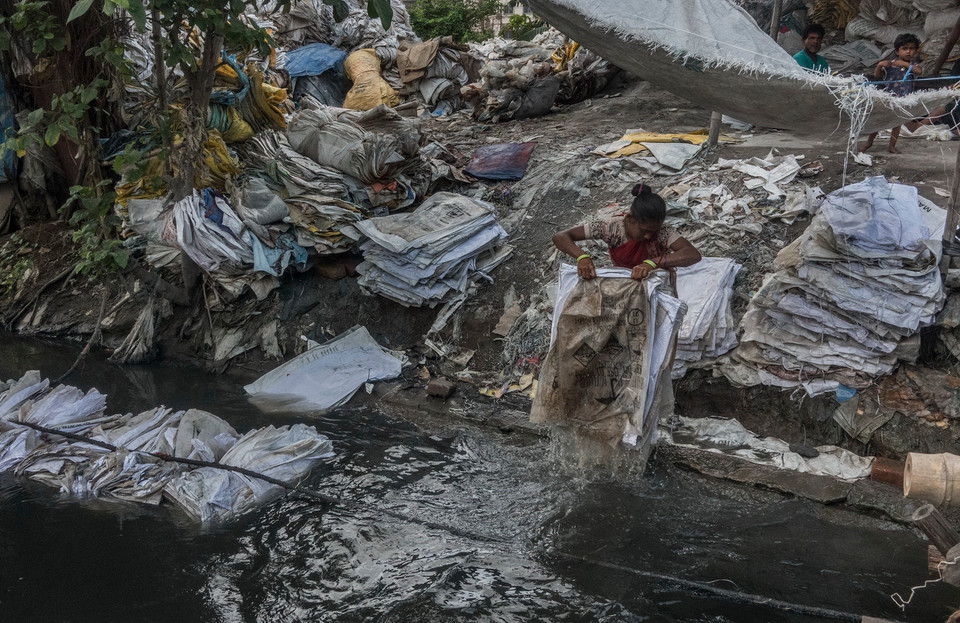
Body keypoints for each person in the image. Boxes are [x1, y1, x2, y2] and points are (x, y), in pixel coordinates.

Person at [551, 183, 702, 290]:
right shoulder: (612, 228)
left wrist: (652, 263)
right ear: (630, 219)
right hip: (624, 280)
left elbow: (693, 254)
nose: (649, 236)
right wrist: (582, 257)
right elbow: (561, 236)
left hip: (656, 282)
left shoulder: (663, 231)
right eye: (644, 230)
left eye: (653, 232)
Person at [861, 33, 922, 154]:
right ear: (897, 51)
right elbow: (878, 77)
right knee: (880, 122)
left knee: (897, 124)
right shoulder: (891, 63)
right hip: (888, 98)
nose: (908, 52)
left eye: (911, 48)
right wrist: (879, 66)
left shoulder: (912, 65)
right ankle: (869, 143)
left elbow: (919, 71)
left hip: (902, 99)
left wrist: (905, 64)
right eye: (904, 49)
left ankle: (892, 146)